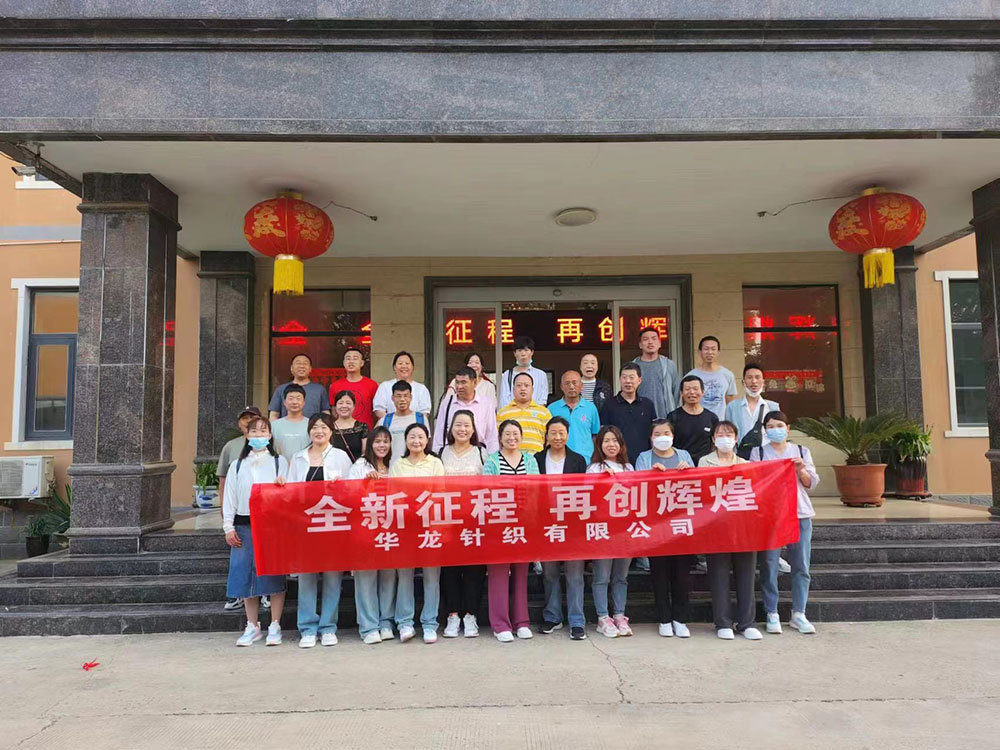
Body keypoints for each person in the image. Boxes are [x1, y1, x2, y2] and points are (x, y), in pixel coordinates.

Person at [283, 414, 353, 649]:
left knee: (333, 577)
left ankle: (328, 627)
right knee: (307, 578)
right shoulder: (298, 457)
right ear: (309, 431)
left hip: (333, 524)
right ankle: (308, 627)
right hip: (306, 525)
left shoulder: (341, 456)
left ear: (331, 431)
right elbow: (291, 492)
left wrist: (340, 488)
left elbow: (352, 492)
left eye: (323, 427)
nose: (319, 431)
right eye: (314, 427)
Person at [752, 410, 820, 636]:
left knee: (801, 564)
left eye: (780, 426)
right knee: (770, 564)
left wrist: (800, 469)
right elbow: (755, 483)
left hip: (799, 512)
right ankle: (771, 612)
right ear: (765, 430)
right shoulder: (759, 453)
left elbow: (811, 483)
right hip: (771, 515)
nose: (776, 430)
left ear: (788, 429)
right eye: (771, 427)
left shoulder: (801, 451)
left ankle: (799, 612)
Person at [222, 416, 288, 647]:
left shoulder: (279, 462)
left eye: (263, 431)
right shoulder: (238, 465)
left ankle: (275, 624)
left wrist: (283, 486)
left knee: (273, 574)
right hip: (244, 524)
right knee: (245, 575)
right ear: (247, 435)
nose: (259, 435)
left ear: (270, 435)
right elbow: (230, 497)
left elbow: (289, 495)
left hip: (271, 525)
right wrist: (228, 526)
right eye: (254, 431)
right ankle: (252, 625)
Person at [699, 421, 763, 641]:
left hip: (743, 528)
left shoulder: (746, 464)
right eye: (720, 434)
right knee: (718, 576)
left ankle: (747, 623)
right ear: (713, 439)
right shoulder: (704, 462)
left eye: (728, 434)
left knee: (746, 576)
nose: (724, 438)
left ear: (736, 439)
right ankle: (723, 622)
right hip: (716, 527)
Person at [483, 419, 540, 642]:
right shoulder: (492, 461)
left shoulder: (530, 460)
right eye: (507, 434)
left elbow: (535, 490)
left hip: (525, 522)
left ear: (522, 436)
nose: (511, 438)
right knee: (498, 572)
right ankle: (500, 624)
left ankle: (521, 621)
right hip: (498, 523)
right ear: (500, 438)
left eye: (515, 433)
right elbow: (487, 491)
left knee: (521, 573)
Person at [388, 423, 445, 644]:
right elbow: (393, 495)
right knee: (405, 576)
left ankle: (430, 623)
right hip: (405, 527)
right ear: (405, 440)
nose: (416, 441)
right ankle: (405, 623)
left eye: (421, 437)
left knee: (432, 577)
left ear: (427, 440)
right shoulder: (398, 465)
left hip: (430, 527)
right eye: (412, 437)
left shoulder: (435, 463)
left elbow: (440, 493)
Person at [536, 417, 588, 641]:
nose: (557, 437)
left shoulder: (578, 460)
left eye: (562, 433)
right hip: (545, 524)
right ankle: (552, 616)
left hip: (572, 524)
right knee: (550, 573)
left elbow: (584, 493)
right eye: (553, 433)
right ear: (546, 435)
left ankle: (577, 621)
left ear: (568, 435)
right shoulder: (537, 459)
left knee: (575, 574)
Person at [439, 411, 488, 639]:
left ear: (473, 429)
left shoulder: (481, 452)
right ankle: (453, 615)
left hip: (474, 520)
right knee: (449, 570)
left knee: (474, 570)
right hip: (448, 520)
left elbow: (490, 485)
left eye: (467, 425)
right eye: (458, 425)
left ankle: (471, 615)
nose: (462, 429)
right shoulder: (442, 452)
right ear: (451, 428)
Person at [348, 426, 397, 644]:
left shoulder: (395, 465)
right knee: (366, 578)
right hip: (365, 529)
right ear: (370, 444)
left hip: (390, 529)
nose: (381, 445)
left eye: (385, 441)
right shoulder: (360, 466)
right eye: (377, 441)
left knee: (388, 576)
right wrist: (365, 484)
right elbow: (349, 496)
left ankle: (386, 622)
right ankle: (368, 626)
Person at [586, 426, 635, 638]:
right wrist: (602, 480)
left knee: (621, 576)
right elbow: (588, 498)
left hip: (625, 530)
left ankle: (619, 614)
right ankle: (603, 617)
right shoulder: (593, 469)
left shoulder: (629, 468)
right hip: (603, 530)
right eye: (606, 440)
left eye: (615, 440)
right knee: (602, 576)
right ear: (599, 444)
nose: (611, 444)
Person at [216, 405, 263, 610]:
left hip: (263, 512)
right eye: (245, 418)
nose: (248, 421)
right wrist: (224, 506)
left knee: (262, 555)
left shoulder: (269, 447)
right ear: (239, 423)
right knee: (240, 557)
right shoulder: (231, 446)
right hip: (239, 510)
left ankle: (264, 593)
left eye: (253, 417)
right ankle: (238, 594)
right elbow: (223, 479)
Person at [432, 366, 499, 454]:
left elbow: (492, 436)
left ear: (474, 383)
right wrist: (437, 454)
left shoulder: (486, 404)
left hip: (479, 454)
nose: (459, 386)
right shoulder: (447, 403)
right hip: (451, 453)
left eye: (463, 382)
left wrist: (492, 458)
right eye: (457, 382)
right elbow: (439, 433)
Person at [601, 363, 656, 463]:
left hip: (644, 460)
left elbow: (653, 434)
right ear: (620, 379)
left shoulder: (648, 404)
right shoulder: (609, 405)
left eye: (631, 377)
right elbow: (604, 434)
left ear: (639, 380)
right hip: (618, 460)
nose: (628, 381)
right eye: (624, 377)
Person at [725, 362, 781, 459]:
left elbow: (778, 435)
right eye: (749, 377)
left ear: (763, 382)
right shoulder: (732, 407)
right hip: (741, 457)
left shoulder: (773, 407)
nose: (754, 381)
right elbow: (728, 434)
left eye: (757, 377)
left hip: (767, 457)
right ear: (743, 382)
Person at [548, 369, 601, 461]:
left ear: (581, 386)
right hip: (559, 460)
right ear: (561, 387)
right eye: (567, 383)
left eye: (574, 383)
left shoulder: (591, 408)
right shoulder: (552, 408)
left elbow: (595, 435)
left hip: (586, 460)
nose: (571, 386)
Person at [666, 375, 719, 466]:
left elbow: (715, 445)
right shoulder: (673, 417)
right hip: (680, 466)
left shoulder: (712, 418)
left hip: (705, 466)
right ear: (681, 393)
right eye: (687, 389)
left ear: (702, 392)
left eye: (695, 389)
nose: (692, 392)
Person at [496, 372, 552, 454]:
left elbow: (550, 439)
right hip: (510, 459)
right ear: (513, 389)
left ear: (532, 390)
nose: (523, 388)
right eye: (519, 385)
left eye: (526, 385)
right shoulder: (503, 413)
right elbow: (497, 439)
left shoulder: (544, 412)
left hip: (536, 459)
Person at [684, 336, 738, 421]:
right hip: (697, 422)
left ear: (718, 352)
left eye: (713, 349)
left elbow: (730, 404)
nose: (709, 352)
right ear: (699, 352)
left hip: (720, 423)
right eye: (706, 349)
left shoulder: (727, 375)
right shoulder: (691, 376)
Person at [375, 380, 426, 468]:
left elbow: (427, 444)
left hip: (416, 468)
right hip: (391, 468)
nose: (402, 399)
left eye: (406, 396)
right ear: (392, 398)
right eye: (398, 396)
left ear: (411, 397)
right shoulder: (385, 420)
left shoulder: (421, 419)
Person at [632, 326, 679, 419]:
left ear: (659, 343)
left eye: (654, 339)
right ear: (640, 345)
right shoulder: (633, 366)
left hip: (665, 417)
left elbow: (676, 391)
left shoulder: (669, 365)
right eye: (646, 339)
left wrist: (673, 412)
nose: (650, 342)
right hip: (639, 416)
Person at [267, 353, 330, 420]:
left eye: (305, 363)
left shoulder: (319, 389)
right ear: (291, 368)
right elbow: (274, 414)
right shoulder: (281, 389)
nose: (302, 366)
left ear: (310, 369)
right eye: (298, 363)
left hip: (312, 426)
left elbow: (325, 412)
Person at [372, 351, 432, 421]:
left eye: (407, 363)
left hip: (415, 426)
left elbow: (424, 412)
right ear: (394, 367)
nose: (404, 366)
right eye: (400, 363)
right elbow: (379, 410)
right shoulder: (385, 386)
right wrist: (394, 423)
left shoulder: (421, 389)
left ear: (413, 367)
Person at [327, 347, 378, 428]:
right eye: (348, 358)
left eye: (355, 358)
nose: (351, 361)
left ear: (362, 363)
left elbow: (376, 412)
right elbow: (334, 412)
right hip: (342, 431)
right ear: (344, 363)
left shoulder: (372, 385)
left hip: (366, 431)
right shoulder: (335, 386)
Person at [498, 336, 549, 407]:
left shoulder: (541, 375)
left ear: (532, 352)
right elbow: (504, 401)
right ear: (514, 353)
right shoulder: (507, 375)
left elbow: (542, 400)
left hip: (535, 413)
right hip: (512, 413)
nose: (523, 354)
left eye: (526, 350)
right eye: (519, 350)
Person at [270, 384, 313, 460]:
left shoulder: (312, 424)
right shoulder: (274, 425)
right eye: (291, 398)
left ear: (304, 402)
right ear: (284, 402)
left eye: (298, 399)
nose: (294, 402)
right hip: (280, 466)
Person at [330, 389, 369, 464]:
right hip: (334, 468)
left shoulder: (362, 427)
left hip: (356, 468)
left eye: (348, 403)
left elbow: (365, 453)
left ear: (354, 406)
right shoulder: (329, 427)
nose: (344, 406)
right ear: (335, 407)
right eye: (340, 403)